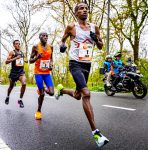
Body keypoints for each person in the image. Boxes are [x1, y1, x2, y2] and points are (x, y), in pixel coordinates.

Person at [55, 2, 109, 147]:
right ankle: (96, 133)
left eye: (86, 8)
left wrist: (96, 38)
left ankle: (62, 90)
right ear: (76, 13)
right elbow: (62, 40)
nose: (84, 10)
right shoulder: (72, 27)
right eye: (81, 8)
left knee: (78, 95)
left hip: (87, 64)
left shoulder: (94, 27)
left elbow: (100, 46)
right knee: (86, 93)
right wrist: (62, 45)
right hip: (75, 63)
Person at [29, 32, 54, 120]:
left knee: (51, 93)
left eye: (47, 36)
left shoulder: (51, 47)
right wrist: (37, 57)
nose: (45, 37)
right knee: (42, 94)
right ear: (39, 37)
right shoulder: (35, 47)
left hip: (47, 73)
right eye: (43, 36)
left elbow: (51, 58)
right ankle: (38, 111)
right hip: (38, 73)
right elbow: (30, 61)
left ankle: (42, 89)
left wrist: (51, 65)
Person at [5, 40, 27, 108]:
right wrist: (15, 58)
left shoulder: (22, 53)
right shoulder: (12, 52)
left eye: (19, 44)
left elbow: (24, 60)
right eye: (16, 44)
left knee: (24, 83)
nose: (18, 45)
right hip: (14, 73)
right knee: (11, 87)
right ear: (14, 45)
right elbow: (6, 62)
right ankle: (8, 96)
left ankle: (20, 100)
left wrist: (25, 60)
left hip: (21, 72)